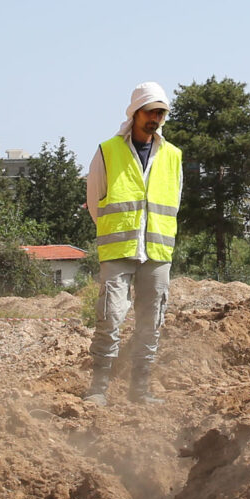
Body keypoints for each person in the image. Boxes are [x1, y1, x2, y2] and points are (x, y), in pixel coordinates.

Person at [82, 82, 181, 405]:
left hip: (157, 250)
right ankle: (99, 389)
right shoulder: (107, 151)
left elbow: (174, 201)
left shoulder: (173, 156)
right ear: (135, 112)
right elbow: (96, 201)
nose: (155, 118)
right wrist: (120, 230)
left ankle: (140, 390)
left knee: (151, 323)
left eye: (161, 113)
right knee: (109, 317)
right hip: (119, 249)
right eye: (150, 111)